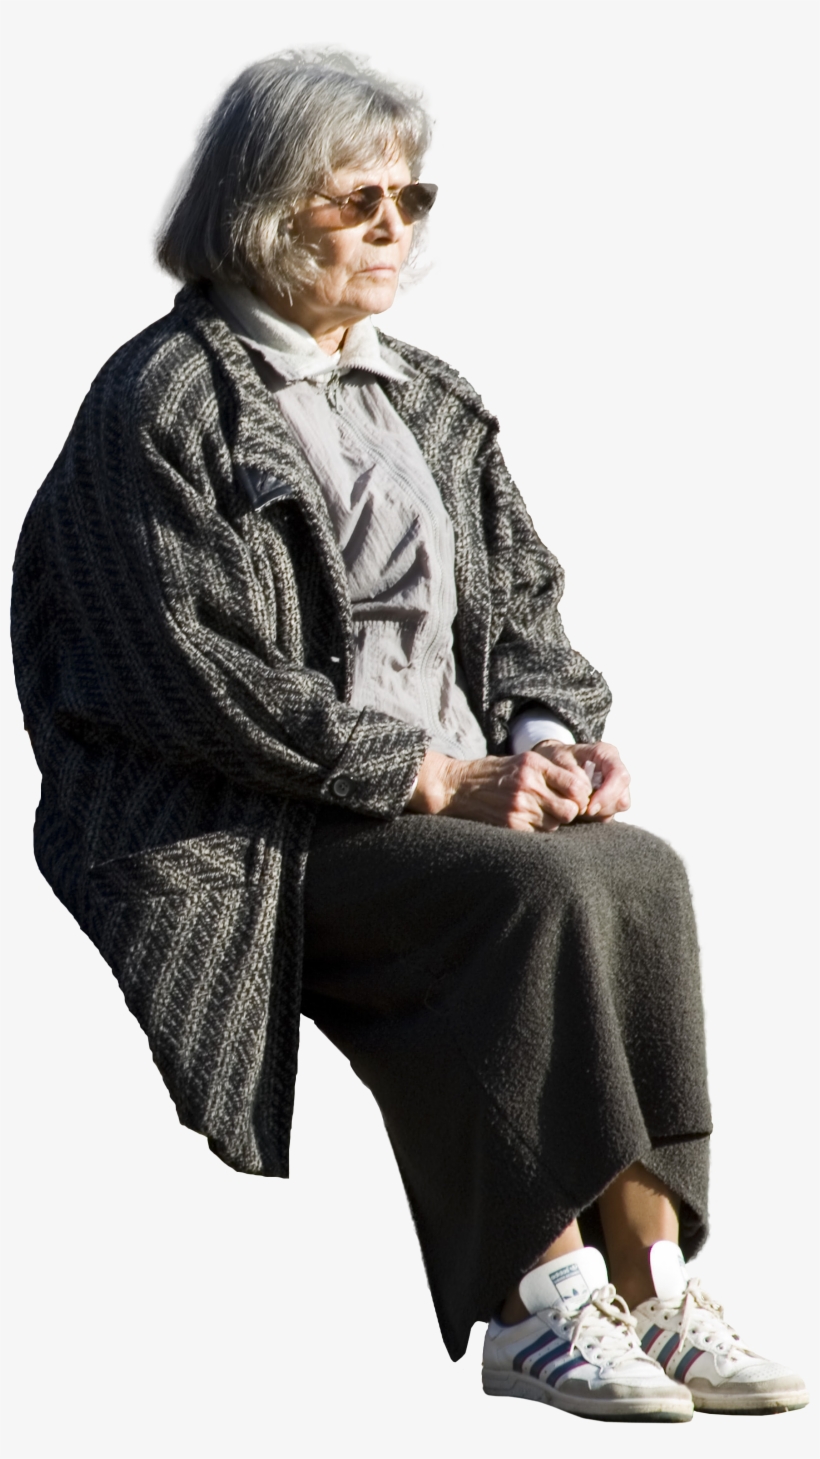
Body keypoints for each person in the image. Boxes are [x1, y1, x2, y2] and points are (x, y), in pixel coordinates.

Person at [10, 49, 807, 1423]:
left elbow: (525, 603)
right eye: (359, 200)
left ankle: (650, 1283)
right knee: (525, 897)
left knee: (637, 871)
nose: (396, 227)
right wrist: (433, 776)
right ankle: (537, 1302)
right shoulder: (165, 402)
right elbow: (185, 673)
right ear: (266, 213)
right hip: (248, 821)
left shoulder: (426, 398)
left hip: (443, 796)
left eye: (411, 198)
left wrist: (550, 736)